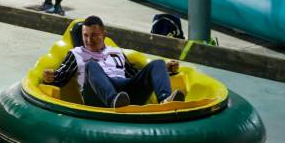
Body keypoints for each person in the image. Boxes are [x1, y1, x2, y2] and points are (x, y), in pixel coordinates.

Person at [43, 16, 184, 108]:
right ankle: (113, 101)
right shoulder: (76, 54)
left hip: (125, 92)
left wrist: (165, 69)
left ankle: (166, 101)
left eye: (94, 35)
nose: (88, 40)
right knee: (91, 65)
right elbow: (60, 77)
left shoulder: (116, 52)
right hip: (98, 97)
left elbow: (135, 75)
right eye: (85, 35)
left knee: (158, 63)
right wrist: (51, 77)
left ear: (103, 35)